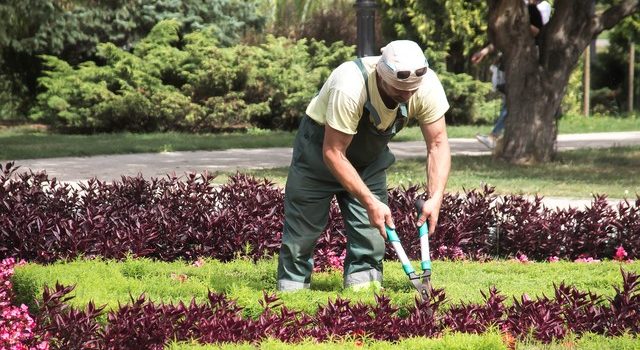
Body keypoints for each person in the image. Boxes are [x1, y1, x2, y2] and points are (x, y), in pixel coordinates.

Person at [276, 40, 451, 291]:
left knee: (371, 237)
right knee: (302, 234)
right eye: (399, 90)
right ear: (381, 75)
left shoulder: (426, 85)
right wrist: (369, 201)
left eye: (412, 90)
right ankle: (291, 297)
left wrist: (435, 197)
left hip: (368, 161)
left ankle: (363, 297)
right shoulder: (350, 85)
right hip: (318, 155)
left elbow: (438, 143)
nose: (407, 96)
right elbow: (333, 152)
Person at [473, 1, 545, 149]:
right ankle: (498, 137)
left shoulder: (532, 11)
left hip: (529, 61)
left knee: (512, 100)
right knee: (510, 99)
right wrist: (484, 52)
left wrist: (523, 24)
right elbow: (504, 40)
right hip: (514, 64)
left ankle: (495, 136)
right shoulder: (515, 12)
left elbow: (539, 32)